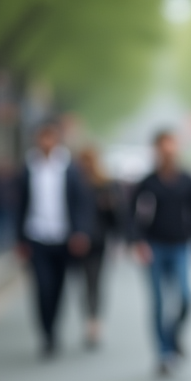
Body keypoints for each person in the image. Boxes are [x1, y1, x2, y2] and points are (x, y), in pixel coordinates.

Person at [128, 130, 191, 376]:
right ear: (157, 150)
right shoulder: (148, 182)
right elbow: (131, 213)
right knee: (159, 302)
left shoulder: (186, 179)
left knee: (186, 298)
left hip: (180, 245)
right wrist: (138, 241)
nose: (168, 151)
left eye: (172, 146)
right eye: (163, 147)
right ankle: (164, 353)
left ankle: (173, 336)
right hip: (155, 246)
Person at [16, 120, 92, 358]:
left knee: (59, 287)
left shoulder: (70, 168)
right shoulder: (29, 168)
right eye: (42, 138)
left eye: (50, 138)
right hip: (36, 235)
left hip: (63, 237)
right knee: (42, 287)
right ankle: (46, 332)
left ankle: (55, 328)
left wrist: (81, 232)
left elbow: (82, 204)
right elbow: (19, 205)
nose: (46, 143)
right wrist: (19, 238)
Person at [76, 146, 119, 349]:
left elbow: (117, 217)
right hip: (75, 241)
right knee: (83, 283)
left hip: (97, 241)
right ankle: (90, 318)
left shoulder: (105, 185)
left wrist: (111, 206)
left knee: (94, 282)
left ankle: (93, 322)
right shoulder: (74, 184)